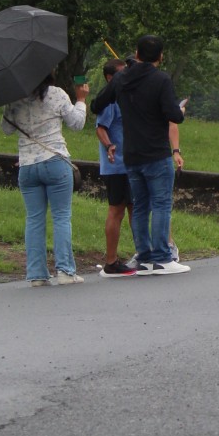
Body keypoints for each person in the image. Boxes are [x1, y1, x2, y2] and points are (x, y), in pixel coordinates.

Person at [91, 35, 190, 275]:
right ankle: (162, 257)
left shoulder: (121, 78)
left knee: (141, 206)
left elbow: (97, 105)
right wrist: (180, 110)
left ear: (136, 54)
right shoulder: (161, 79)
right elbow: (173, 116)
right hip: (156, 151)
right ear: (160, 56)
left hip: (131, 154)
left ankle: (144, 257)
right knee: (161, 204)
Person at [1, 74, 89, 285]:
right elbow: (76, 124)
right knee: (61, 216)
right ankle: (65, 271)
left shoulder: (15, 100)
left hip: (27, 166)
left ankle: (37, 275)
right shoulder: (56, 94)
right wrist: (81, 100)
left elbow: (6, 129)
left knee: (34, 219)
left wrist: (8, 104)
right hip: (55, 161)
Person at [95, 59, 137, 276]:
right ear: (110, 78)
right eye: (121, 74)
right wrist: (109, 145)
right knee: (117, 210)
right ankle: (111, 262)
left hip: (131, 164)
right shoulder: (109, 101)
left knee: (135, 208)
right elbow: (100, 128)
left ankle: (144, 253)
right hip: (117, 166)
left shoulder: (125, 97)